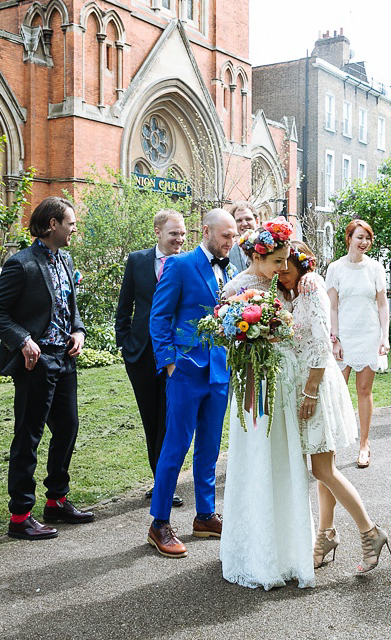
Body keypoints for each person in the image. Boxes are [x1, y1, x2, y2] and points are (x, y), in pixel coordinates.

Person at [0, 196, 93, 540]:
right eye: (71, 223)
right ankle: (20, 516)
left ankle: (56, 500)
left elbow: (68, 305)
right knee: (28, 437)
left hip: (65, 360)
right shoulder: (21, 264)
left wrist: (78, 330)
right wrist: (24, 340)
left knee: (68, 429)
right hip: (36, 363)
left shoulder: (66, 258)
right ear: (52, 225)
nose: (75, 229)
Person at [279, 241, 391, 574]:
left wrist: (311, 390)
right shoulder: (291, 292)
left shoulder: (311, 285)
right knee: (320, 462)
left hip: (317, 384)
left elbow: (321, 337)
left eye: (286, 268)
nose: (281, 274)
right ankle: (325, 535)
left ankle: (371, 532)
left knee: (323, 468)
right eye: (278, 268)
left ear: (301, 265)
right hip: (306, 382)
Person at [219, 218, 316, 589]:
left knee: (285, 461)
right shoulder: (237, 289)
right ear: (259, 257)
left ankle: (289, 549)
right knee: (258, 460)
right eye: (278, 261)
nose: (283, 267)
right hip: (257, 385)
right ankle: (255, 552)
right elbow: (231, 342)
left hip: (285, 382)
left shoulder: (282, 284)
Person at [144, 208, 237, 558]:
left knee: (210, 447)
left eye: (233, 236)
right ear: (207, 231)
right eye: (226, 236)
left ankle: (204, 516)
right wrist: (168, 364)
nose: (232, 241)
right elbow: (160, 316)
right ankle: (159, 523)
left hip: (218, 371)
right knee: (176, 446)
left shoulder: (231, 268)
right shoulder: (179, 265)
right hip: (185, 371)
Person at [114, 210, 187, 508]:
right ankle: (159, 480)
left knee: (170, 421)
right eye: (173, 234)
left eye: (182, 234)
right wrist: (125, 346)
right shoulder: (137, 260)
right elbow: (124, 306)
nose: (179, 239)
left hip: (176, 356)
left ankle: (165, 483)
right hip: (142, 355)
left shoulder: (187, 263)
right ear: (157, 232)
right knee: (151, 419)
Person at [325, 220, 390, 468]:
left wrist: (384, 336)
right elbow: (332, 306)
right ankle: (332, 444)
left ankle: (364, 443)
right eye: (359, 237)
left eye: (368, 238)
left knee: (364, 391)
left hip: (369, 335)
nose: (364, 243)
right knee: (336, 392)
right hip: (343, 337)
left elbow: (383, 304)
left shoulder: (375, 268)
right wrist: (335, 338)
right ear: (349, 238)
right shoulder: (335, 268)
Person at [227, 201, 258, 273]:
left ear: (257, 221)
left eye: (248, 219)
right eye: (239, 220)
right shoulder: (229, 253)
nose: (244, 224)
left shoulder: (270, 247)